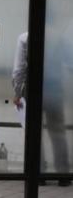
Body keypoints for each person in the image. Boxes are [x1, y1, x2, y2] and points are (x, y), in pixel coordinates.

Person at [12, 31, 71, 186]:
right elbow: (68, 63)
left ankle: (38, 173)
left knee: (33, 132)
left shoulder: (25, 38)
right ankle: (64, 174)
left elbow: (19, 69)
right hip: (55, 90)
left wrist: (17, 93)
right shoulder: (59, 37)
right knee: (58, 131)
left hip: (33, 90)